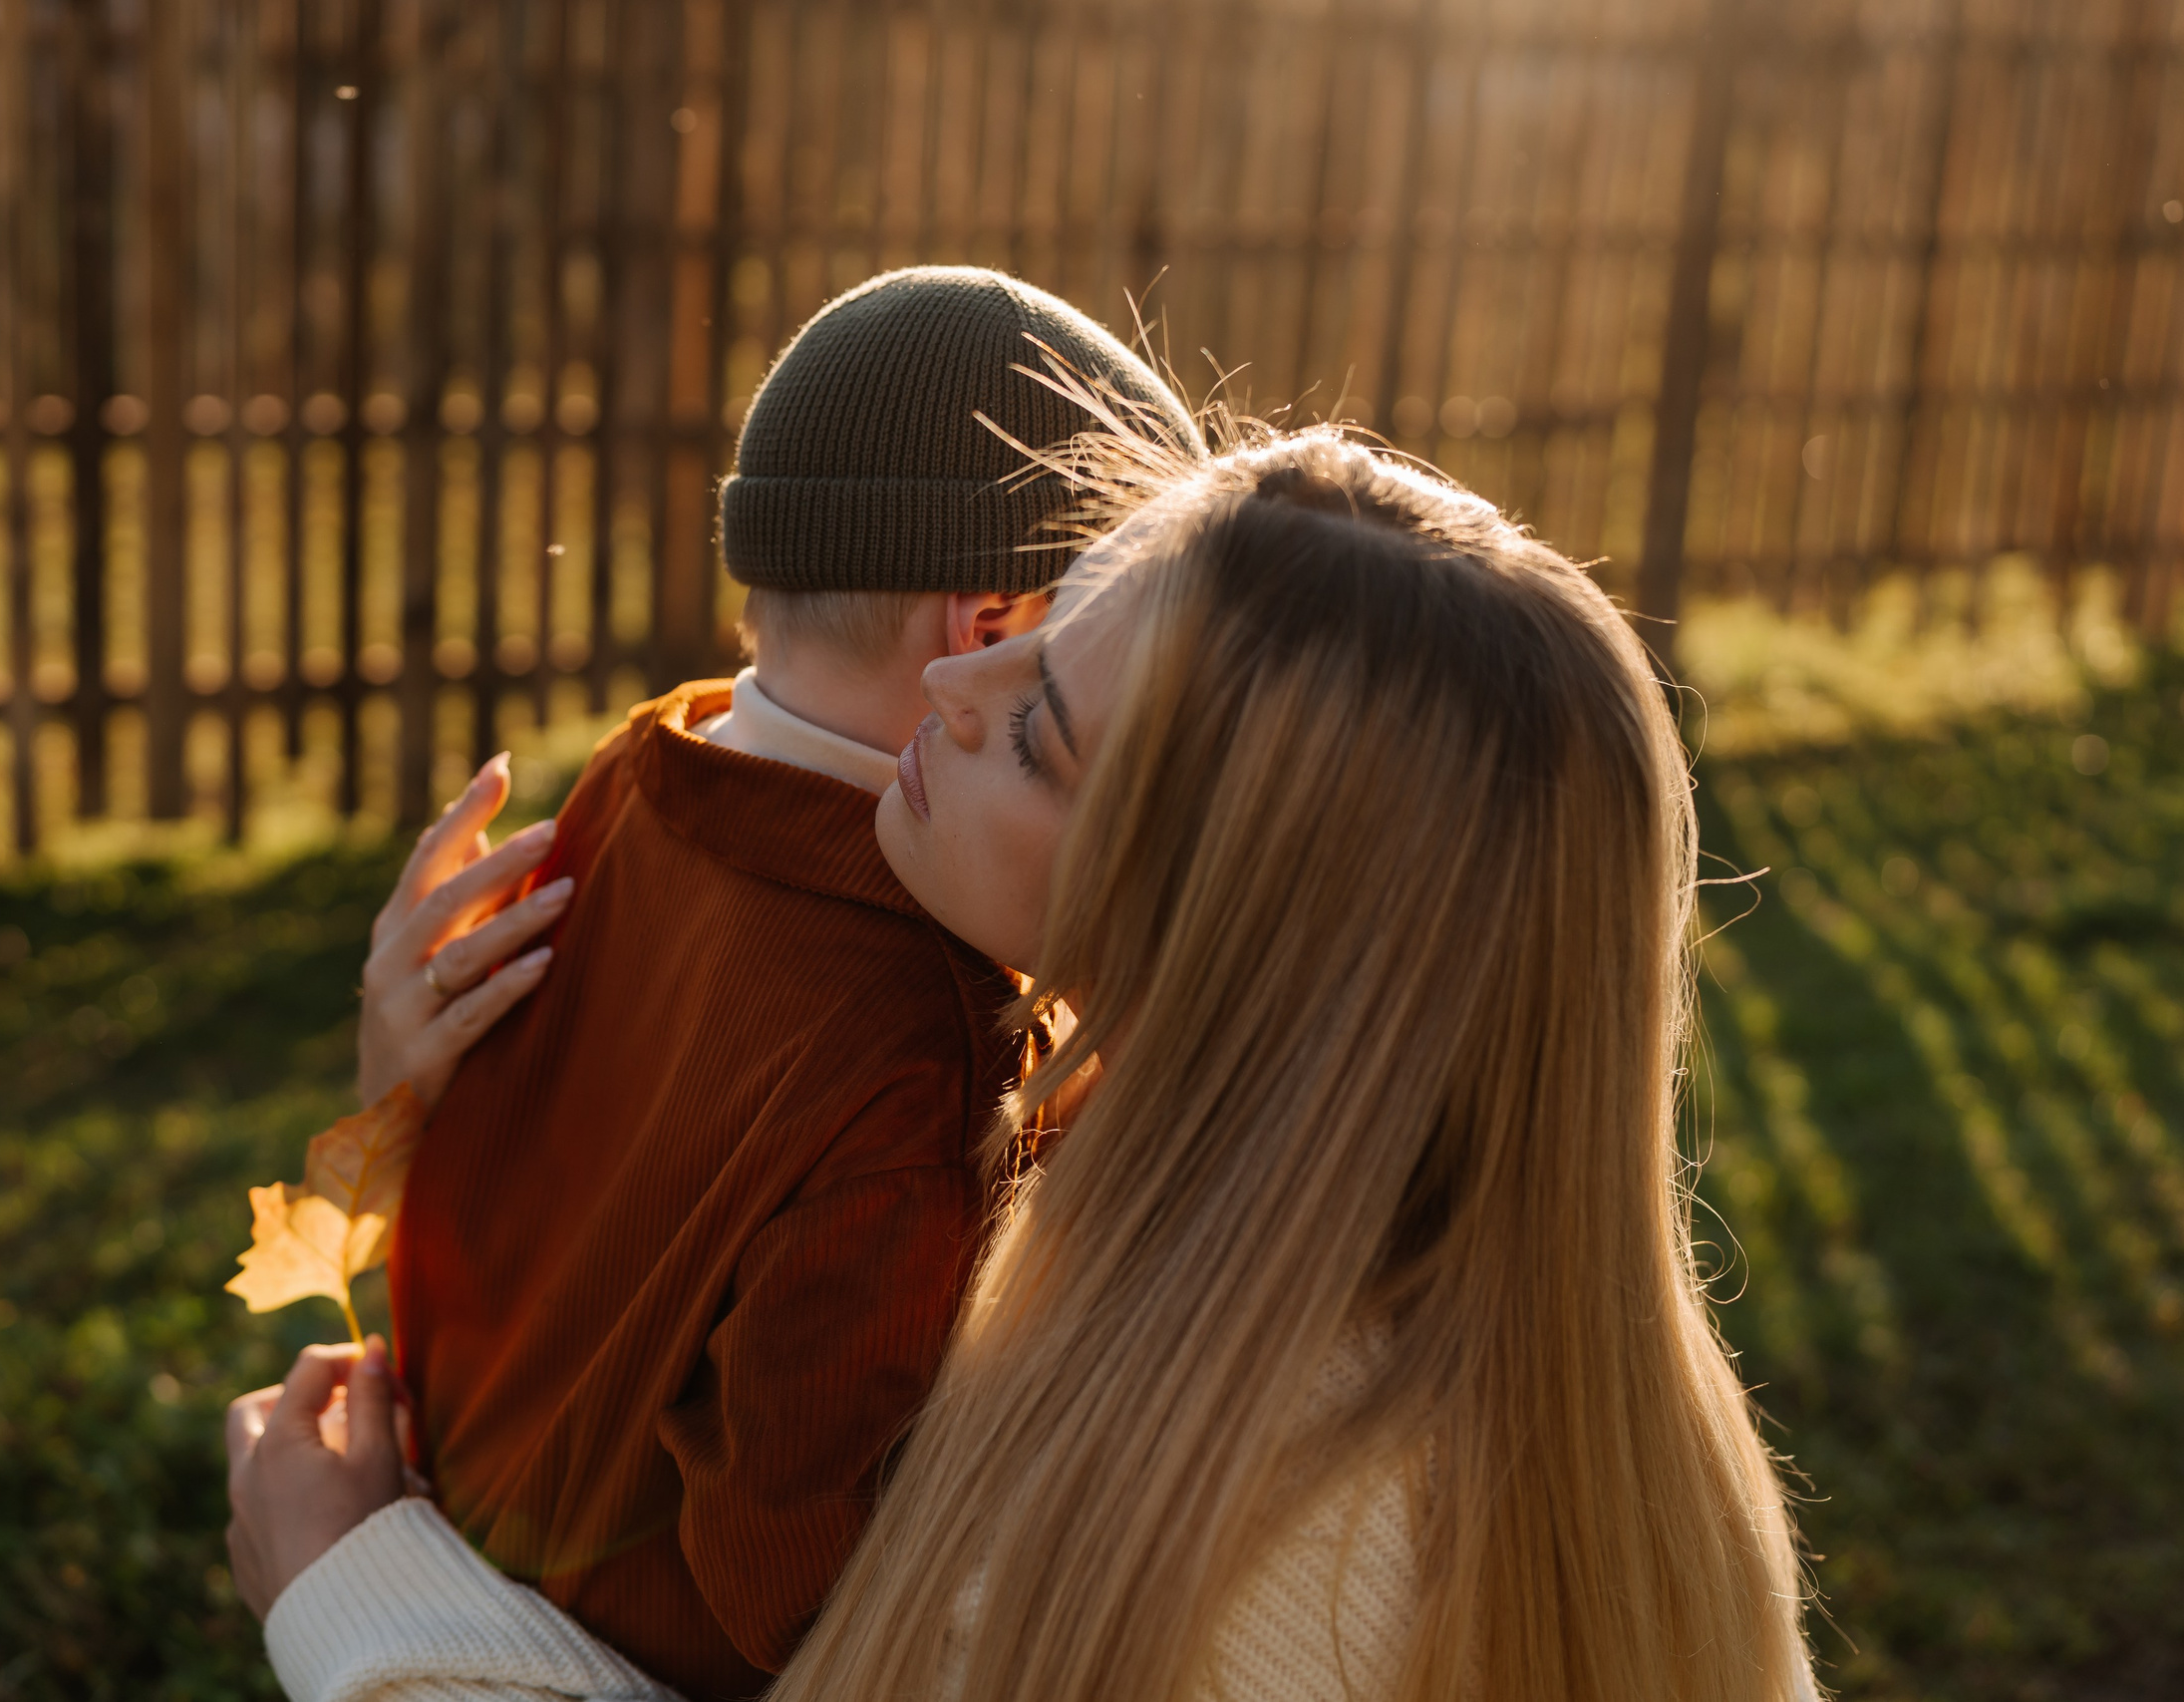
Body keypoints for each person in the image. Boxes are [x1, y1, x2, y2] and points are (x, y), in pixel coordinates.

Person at [227, 421, 1821, 1702]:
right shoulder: (1528, 1370)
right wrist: (433, 1093)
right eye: (1031, 631)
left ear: (1234, 934)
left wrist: (352, 1594)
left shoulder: (1262, 1553)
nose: (947, 681)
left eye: (1045, 731)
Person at [280, 266, 1202, 1702]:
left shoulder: (652, 765)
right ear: (992, 624)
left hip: (459, 1500)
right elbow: (802, 1581)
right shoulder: (921, 1036)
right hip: (607, 1658)